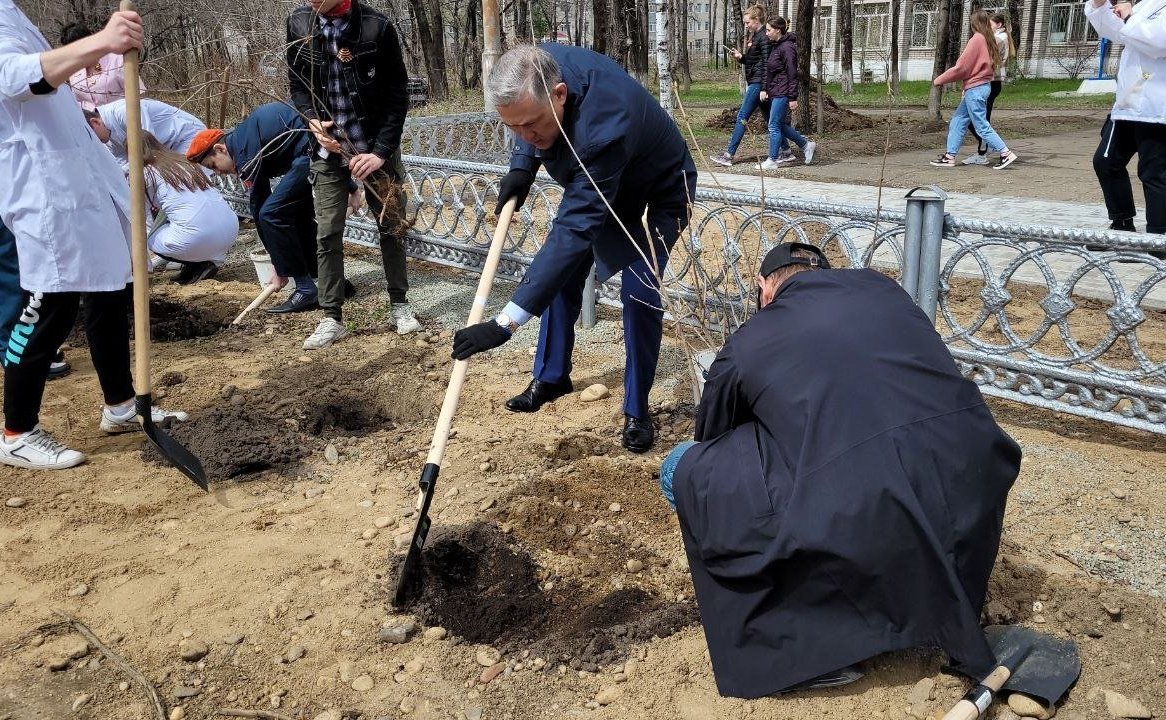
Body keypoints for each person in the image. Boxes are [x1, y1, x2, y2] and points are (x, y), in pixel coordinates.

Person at [659, 243, 1021, 698]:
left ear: (764, 289)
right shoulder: (886, 292)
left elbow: (713, 434)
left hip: (866, 508)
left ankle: (815, 641)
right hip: (972, 479)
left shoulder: (752, 338)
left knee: (680, 469)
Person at [449, 44, 698, 454]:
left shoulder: (603, 125)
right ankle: (551, 376)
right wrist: (521, 167)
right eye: (515, 130)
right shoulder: (534, 67)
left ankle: (637, 409)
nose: (527, 137)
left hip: (661, 184)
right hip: (603, 178)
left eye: (533, 126)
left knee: (640, 289)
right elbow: (526, 116)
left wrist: (506, 323)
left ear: (560, 94)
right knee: (563, 274)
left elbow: (574, 229)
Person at [0, 2, 187, 471]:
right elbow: (14, 76)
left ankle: (121, 405)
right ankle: (16, 430)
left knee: (111, 290)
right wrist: (102, 43)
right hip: (42, 188)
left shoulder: (12, 12)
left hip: (82, 180)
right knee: (47, 306)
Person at [287, 0, 420, 349]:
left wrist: (378, 154)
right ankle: (331, 316)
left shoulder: (377, 27)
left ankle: (400, 305)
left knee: (392, 225)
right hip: (327, 150)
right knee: (327, 232)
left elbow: (397, 96)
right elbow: (298, 85)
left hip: (374, 146)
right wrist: (311, 121)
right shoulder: (300, 23)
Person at [189, 103, 344, 314]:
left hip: (313, 151)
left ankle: (307, 289)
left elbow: (260, 207)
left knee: (272, 213)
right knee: (291, 213)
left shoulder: (244, 153)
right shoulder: (240, 141)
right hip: (310, 152)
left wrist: (279, 266)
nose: (217, 173)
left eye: (213, 165)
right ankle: (333, 283)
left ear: (219, 149)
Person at [1085, 0, 1166, 242]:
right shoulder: (1148, 4)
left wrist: (1130, 17)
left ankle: (1158, 236)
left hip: (1157, 107)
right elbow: (1117, 31)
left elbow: (1159, 41)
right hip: (1127, 105)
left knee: (1154, 172)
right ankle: (1121, 223)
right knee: (1106, 161)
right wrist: (1100, 6)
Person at [140, 132, 238, 284]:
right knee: (180, 214)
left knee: (150, 238)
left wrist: (145, 259)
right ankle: (202, 262)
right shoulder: (182, 161)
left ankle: (197, 263)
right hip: (231, 228)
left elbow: (143, 214)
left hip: (198, 238)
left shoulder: (147, 172)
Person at [929, 9, 1019, 170]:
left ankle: (1005, 153)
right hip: (981, 86)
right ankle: (950, 156)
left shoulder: (977, 40)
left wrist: (939, 80)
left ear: (974, 24)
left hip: (976, 88)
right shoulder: (989, 39)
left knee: (981, 126)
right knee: (958, 121)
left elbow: (962, 68)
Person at [710, 5, 770, 168]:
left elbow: (766, 64)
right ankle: (795, 148)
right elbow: (755, 61)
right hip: (756, 81)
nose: (746, 26)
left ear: (756, 20)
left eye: (747, 22)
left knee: (742, 116)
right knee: (771, 121)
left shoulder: (763, 36)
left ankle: (729, 155)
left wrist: (764, 88)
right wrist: (741, 57)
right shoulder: (756, 36)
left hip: (758, 83)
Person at [757, 17, 816, 170]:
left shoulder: (787, 48)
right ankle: (806, 144)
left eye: (769, 30)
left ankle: (772, 159)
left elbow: (792, 74)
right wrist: (767, 89)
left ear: (778, 30)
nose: (767, 33)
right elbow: (773, 72)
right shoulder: (776, 46)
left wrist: (793, 97)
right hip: (776, 91)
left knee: (773, 126)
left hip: (783, 93)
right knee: (779, 125)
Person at [84, 97, 205, 168]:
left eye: (92, 137)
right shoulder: (105, 136)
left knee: (191, 182)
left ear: (95, 122)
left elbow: (148, 149)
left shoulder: (124, 111)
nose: (96, 142)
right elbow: (122, 162)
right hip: (167, 150)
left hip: (187, 137)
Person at [963, 13, 1014, 166]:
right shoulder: (1000, 38)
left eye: (990, 24)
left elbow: (985, 61)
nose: (987, 28)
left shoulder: (998, 39)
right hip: (991, 82)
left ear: (999, 25)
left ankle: (990, 149)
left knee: (978, 120)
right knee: (979, 119)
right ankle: (985, 149)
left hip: (989, 82)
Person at [60, 20, 144, 107]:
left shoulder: (116, 60)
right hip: (86, 119)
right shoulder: (73, 71)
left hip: (120, 117)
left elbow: (138, 95)